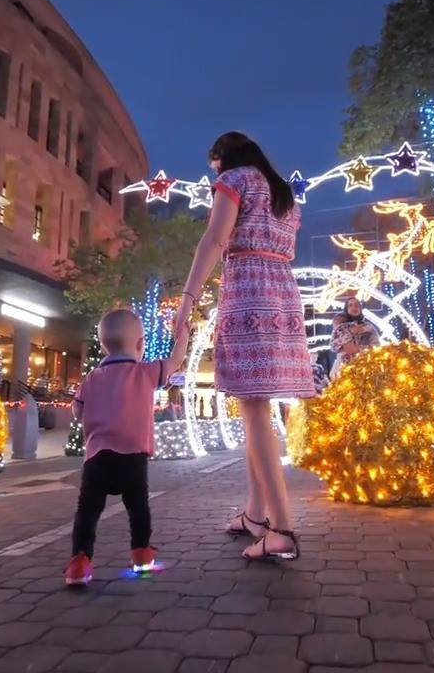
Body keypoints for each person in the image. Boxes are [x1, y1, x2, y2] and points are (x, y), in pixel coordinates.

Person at [175, 131, 313, 560]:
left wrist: (188, 298)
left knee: (253, 409)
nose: (213, 171)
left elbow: (215, 240)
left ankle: (283, 530)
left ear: (222, 157)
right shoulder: (284, 195)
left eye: (213, 163)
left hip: (248, 288)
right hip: (283, 294)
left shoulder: (234, 179)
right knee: (257, 407)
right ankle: (255, 515)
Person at [64, 309, 189, 587]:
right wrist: (182, 334)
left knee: (88, 511)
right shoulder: (145, 372)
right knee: (138, 507)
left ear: (103, 344)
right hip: (133, 456)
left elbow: (76, 412)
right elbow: (176, 361)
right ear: (141, 344)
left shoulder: (92, 378)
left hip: (97, 457)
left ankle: (79, 562)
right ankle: (141, 555)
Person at [330, 297, 378, 378]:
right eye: (350, 305)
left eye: (356, 305)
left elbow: (376, 345)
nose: (354, 308)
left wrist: (361, 350)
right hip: (344, 369)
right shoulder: (340, 327)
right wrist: (350, 332)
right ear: (346, 309)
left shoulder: (368, 327)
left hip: (364, 367)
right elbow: (333, 346)